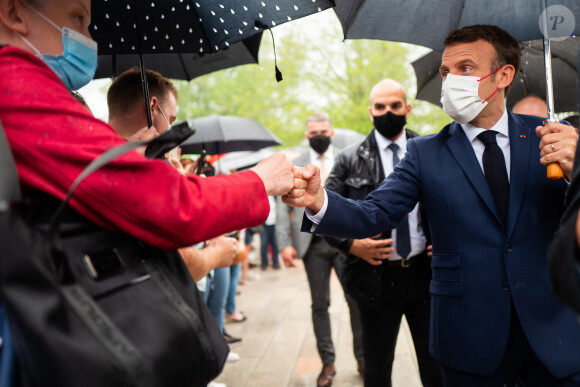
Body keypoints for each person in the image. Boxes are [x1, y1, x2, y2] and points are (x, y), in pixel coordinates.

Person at [0, 0, 294, 379]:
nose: (89, 39)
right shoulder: (18, 86)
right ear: (14, 13)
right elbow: (172, 207)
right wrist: (261, 180)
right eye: (77, 18)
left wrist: (121, 156)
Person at [284, 25, 580, 386]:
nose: (451, 79)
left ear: (503, 75)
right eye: (446, 71)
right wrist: (318, 201)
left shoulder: (552, 138)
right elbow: (372, 213)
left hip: (552, 332)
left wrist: (576, 169)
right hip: (467, 336)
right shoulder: (425, 153)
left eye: (466, 68)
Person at [323, 79, 442, 386]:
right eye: (380, 107)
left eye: (395, 106)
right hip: (374, 279)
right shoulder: (349, 158)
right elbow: (323, 212)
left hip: (425, 275)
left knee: (435, 365)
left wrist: (443, 241)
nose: (387, 112)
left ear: (408, 109)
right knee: (376, 368)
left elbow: (450, 204)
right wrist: (351, 245)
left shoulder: (429, 151)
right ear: (370, 111)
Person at [276, 112, 364, 387]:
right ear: (306, 135)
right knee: (320, 304)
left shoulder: (347, 157)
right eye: (313, 133)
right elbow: (281, 207)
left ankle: (363, 359)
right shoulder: (295, 164)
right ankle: (328, 363)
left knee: (356, 302)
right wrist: (284, 243)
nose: (319, 136)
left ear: (332, 132)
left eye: (323, 131)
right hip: (312, 245)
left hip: (346, 243)